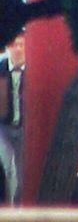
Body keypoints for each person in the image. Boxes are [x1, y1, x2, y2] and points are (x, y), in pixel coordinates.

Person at [0, 34, 25, 204]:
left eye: (22, 45)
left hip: (24, 128)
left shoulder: (33, 70)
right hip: (3, 127)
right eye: (14, 45)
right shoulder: (1, 68)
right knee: (6, 167)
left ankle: (18, 205)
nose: (18, 49)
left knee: (22, 171)